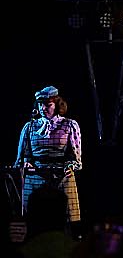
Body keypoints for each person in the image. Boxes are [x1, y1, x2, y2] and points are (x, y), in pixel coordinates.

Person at [13, 85, 83, 235]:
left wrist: (70, 166)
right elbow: (22, 156)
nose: (43, 108)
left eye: (48, 105)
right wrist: (26, 163)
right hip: (36, 177)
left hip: (61, 177)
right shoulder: (30, 127)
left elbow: (76, 158)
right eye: (40, 105)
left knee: (67, 224)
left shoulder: (69, 125)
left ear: (56, 104)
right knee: (35, 224)